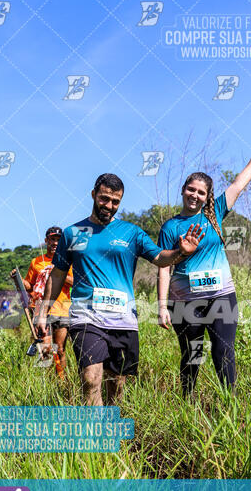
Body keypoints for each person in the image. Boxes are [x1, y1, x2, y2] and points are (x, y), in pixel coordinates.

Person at [35, 173, 204, 406]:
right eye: (104, 199)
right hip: (86, 317)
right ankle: (96, 437)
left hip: (122, 319)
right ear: (94, 195)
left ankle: (111, 430)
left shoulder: (132, 233)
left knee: (117, 383)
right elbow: (57, 274)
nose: (109, 206)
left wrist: (180, 252)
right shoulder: (72, 233)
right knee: (91, 377)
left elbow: (160, 259)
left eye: (115, 202)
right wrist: (43, 311)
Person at [157, 135, 251, 396]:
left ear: (207, 197)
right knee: (193, 356)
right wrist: (162, 307)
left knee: (223, 351)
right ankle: (188, 408)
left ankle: (232, 406)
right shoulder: (171, 227)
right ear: (183, 190)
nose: (195, 195)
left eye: (201, 192)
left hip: (221, 297)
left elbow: (239, 184)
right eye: (191, 189)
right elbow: (163, 267)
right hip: (185, 302)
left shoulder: (214, 212)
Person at [11, 227, 73, 377]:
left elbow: (75, 282)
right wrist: (18, 279)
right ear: (46, 241)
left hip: (61, 309)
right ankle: (49, 383)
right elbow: (30, 286)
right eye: (52, 239)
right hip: (40, 308)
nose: (55, 243)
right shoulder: (36, 262)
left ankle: (61, 382)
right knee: (45, 349)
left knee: (60, 349)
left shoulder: (67, 261)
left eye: (59, 240)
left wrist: (57, 273)